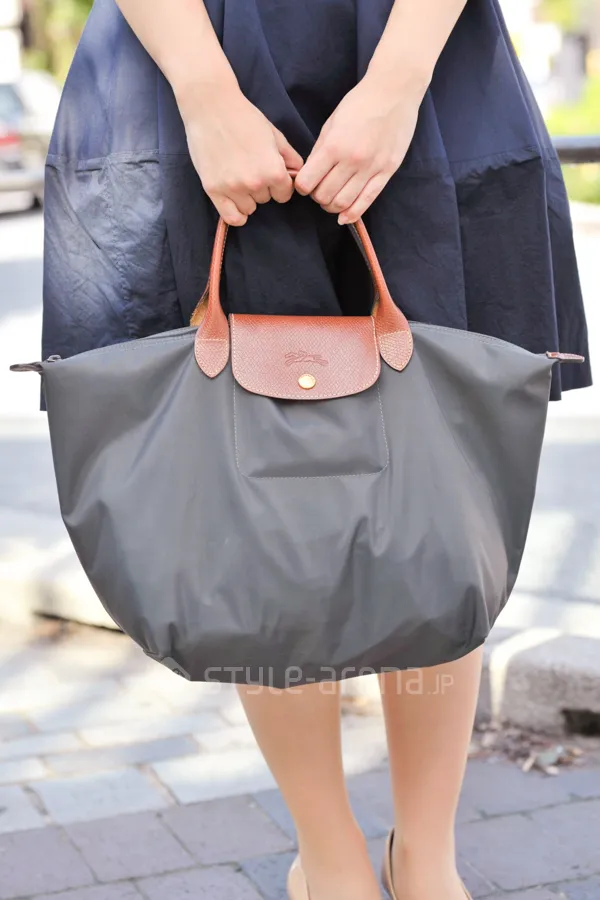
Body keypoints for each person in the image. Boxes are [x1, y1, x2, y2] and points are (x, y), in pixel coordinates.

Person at [41, 2, 591, 899]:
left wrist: (398, 81)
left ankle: (425, 861)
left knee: (439, 478)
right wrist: (205, 90)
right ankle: (332, 864)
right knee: (252, 490)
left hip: (418, 51)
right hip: (196, 46)